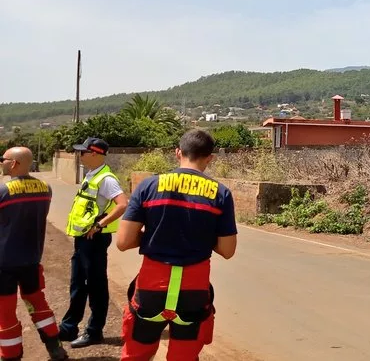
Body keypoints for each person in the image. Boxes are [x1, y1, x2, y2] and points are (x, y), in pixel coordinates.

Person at [117, 129, 237, 360]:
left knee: (135, 354)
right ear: (209, 158)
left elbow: (123, 242)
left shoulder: (149, 186)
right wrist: (199, 237)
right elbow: (227, 250)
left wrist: (156, 236)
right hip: (194, 291)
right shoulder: (221, 193)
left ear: (177, 153)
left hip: (152, 288)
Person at [58, 137, 129, 348]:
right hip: (83, 239)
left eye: (83, 152)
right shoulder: (92, 175)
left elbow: (122, 204)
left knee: (96, 286)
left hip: (95, 240)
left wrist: (100, 225)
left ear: (95, 154)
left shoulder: (106, 178)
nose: (79, 155)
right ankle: (69, 327)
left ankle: (94, 331)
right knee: (78, 284)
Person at [0, 147, 68, 360]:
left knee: (6, 312)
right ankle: (55, 348)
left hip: (4, 263)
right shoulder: (45, 188)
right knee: (37, 301)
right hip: (32, 259)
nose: (1, 162)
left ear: (13, 164)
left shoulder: (3, 191)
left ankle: (11, 355)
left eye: (3, 159)